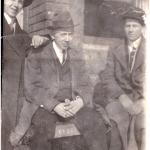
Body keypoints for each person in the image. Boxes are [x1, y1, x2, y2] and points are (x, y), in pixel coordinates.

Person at [9, 10, 108, 150]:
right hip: (44, 107)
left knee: (96, 123)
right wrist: (54, 105)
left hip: (73, 106)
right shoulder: (37, 54)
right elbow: (31, 89)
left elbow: (86, 84)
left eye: (70, 34)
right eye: (63, 34)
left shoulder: (76, 54)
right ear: (53, 35)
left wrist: (80, 102)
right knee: (43, 130)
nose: (67, 39)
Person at [94, 7, 146, 150]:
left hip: (143, 101)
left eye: (134, 26)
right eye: (127, 26)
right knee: (115, 123)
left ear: (142, 27)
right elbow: (108, 76)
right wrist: (122, 97)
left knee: (143, 126)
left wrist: (143, 101)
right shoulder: (115, 48)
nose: (130, 29)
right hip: (119, 98)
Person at [2, 0, 49, 150]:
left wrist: (43, 38)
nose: (15, 4)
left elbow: (34, 46)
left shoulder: (21, 33)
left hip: (15, 98)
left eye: (20, 1)